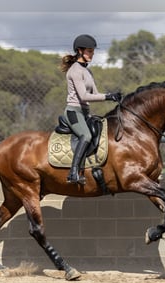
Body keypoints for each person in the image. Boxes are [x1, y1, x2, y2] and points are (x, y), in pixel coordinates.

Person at [60, 34, 121, 185]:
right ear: (79, 51)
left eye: (93, 52)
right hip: (74, 112)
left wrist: (112, 97)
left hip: (85, 112)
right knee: (86, 136)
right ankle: (73, 173)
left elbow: (94, 94)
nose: (92, 54)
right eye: (89, 51)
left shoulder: (88, 71)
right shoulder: (75, 71)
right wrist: (107, 96)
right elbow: (84, 96)